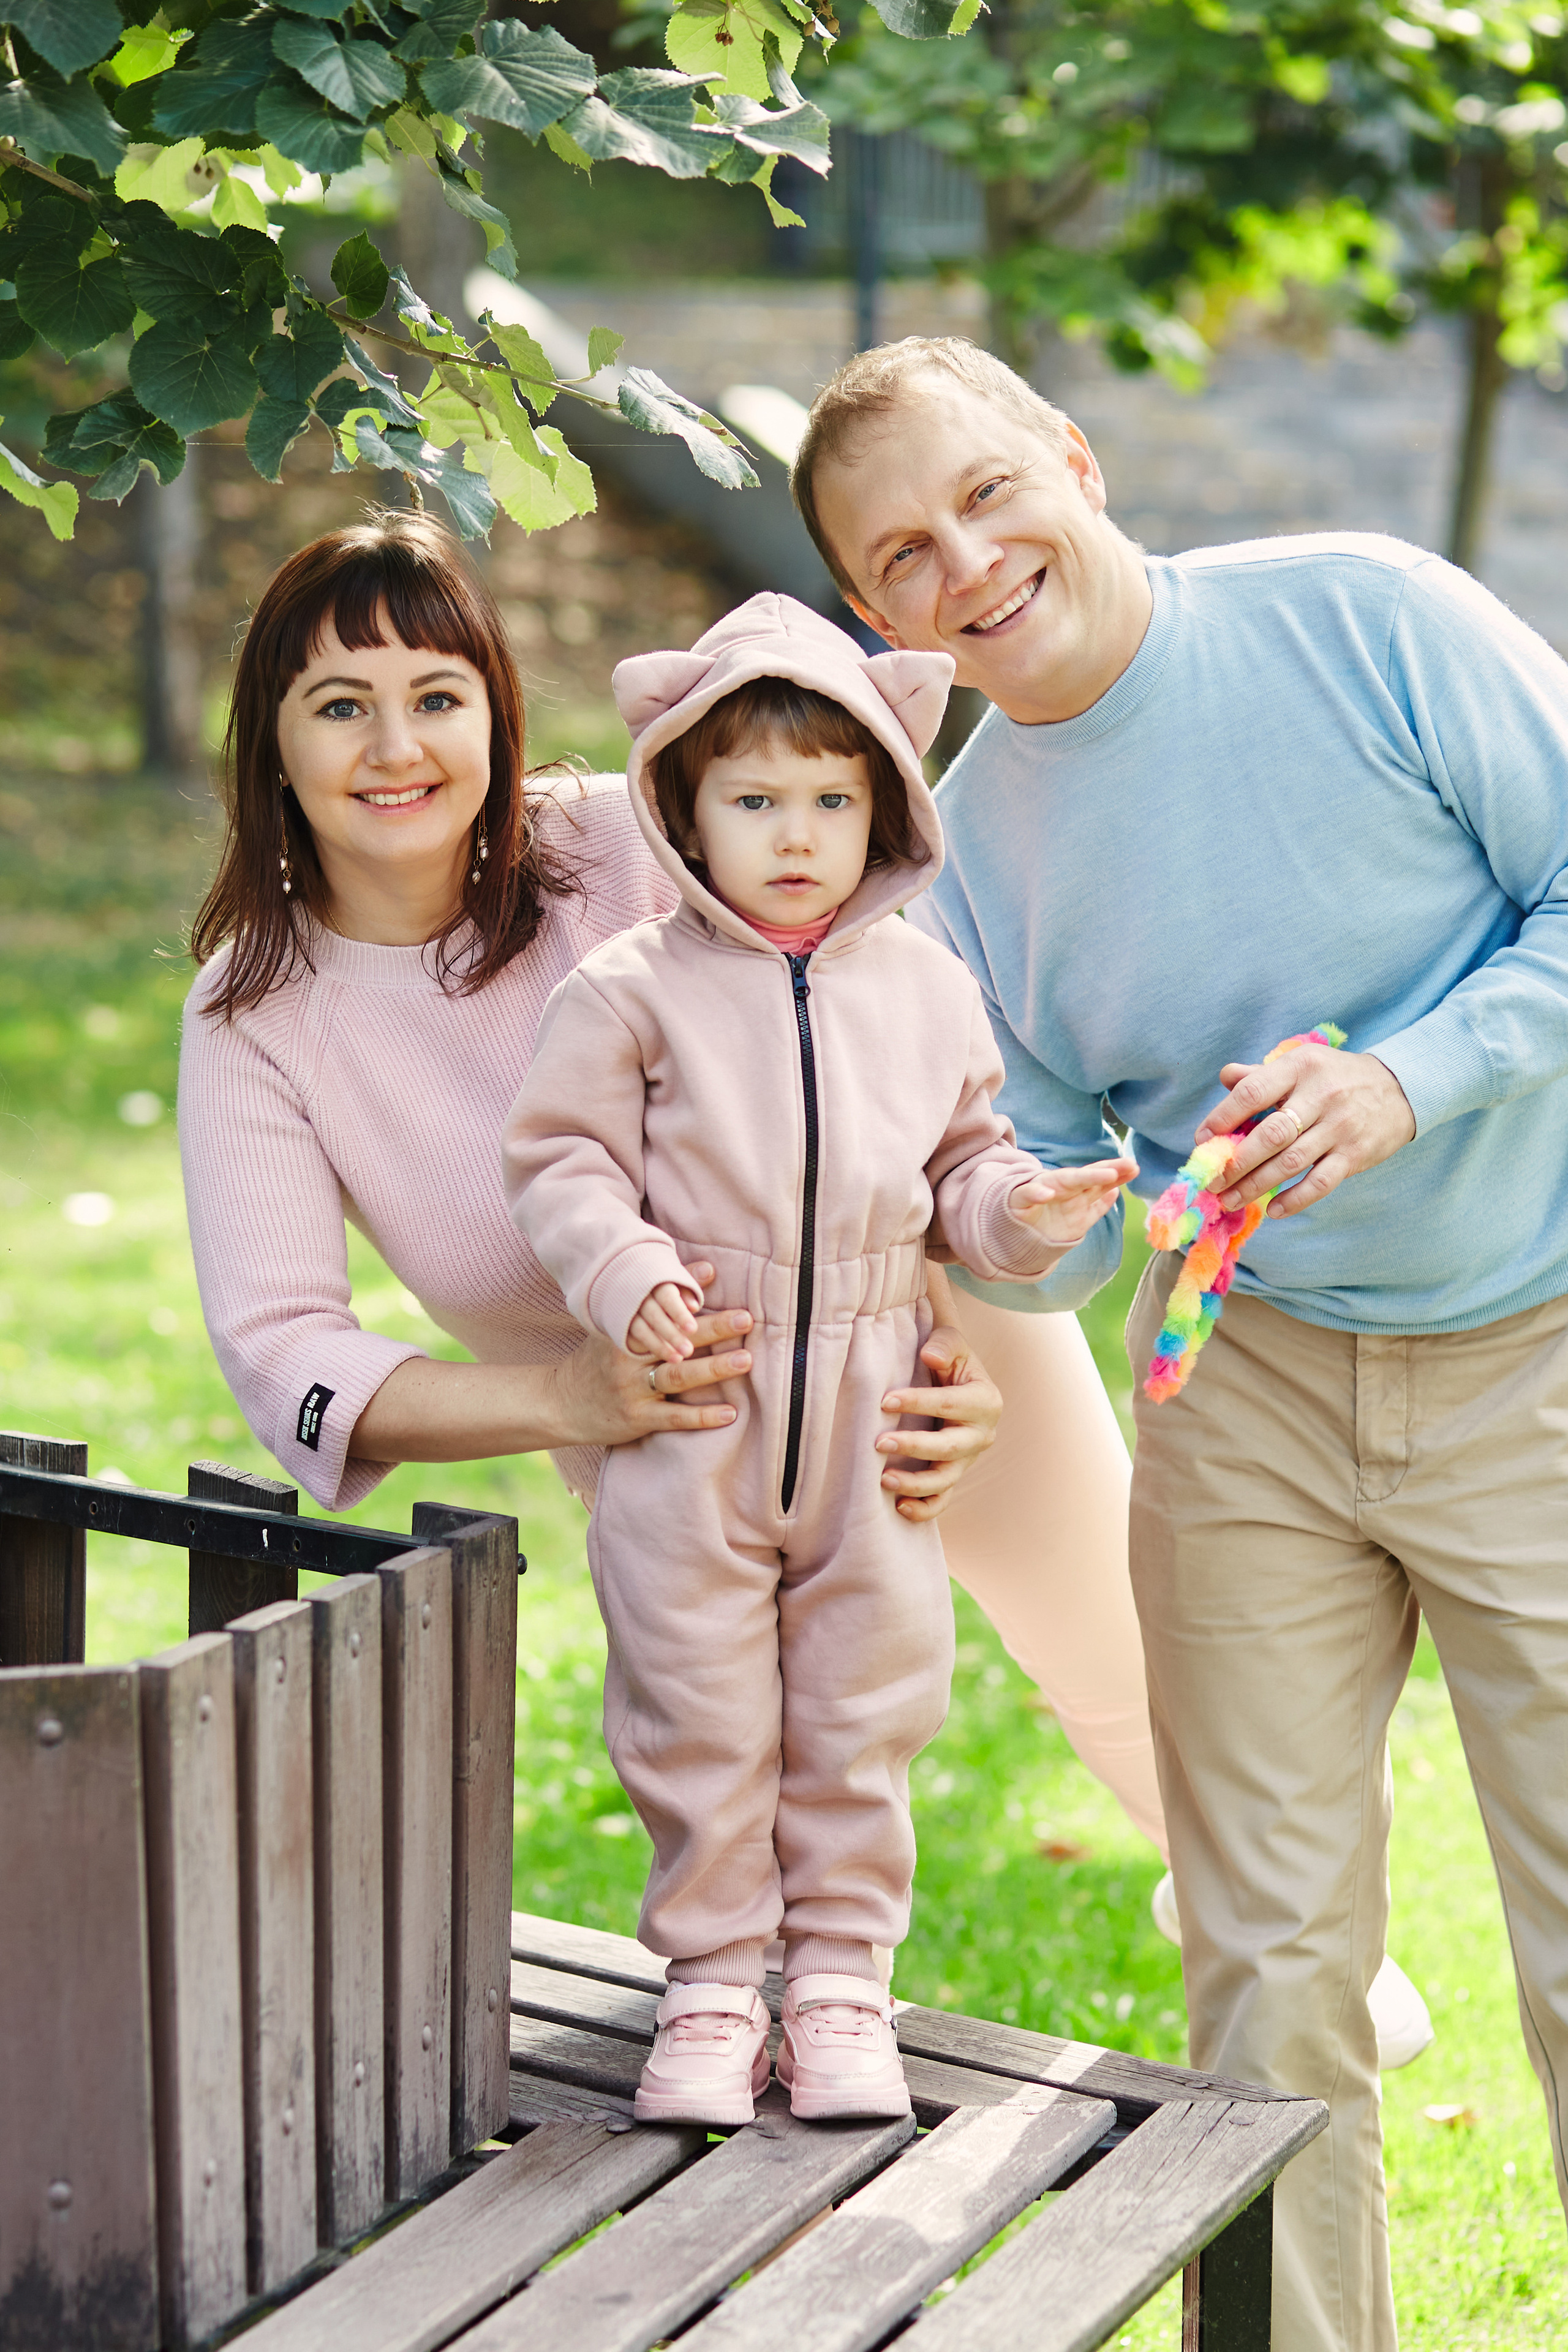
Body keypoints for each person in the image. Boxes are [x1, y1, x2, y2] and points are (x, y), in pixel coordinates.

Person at [790, 334, 1568, 2352]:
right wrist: (1018, 1228)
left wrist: (1406, 1079)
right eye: (903, 556)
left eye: (986, 495)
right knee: (1268, 1974)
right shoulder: (961, 871)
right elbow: (1042, 1212)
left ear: (1074, 455)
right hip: (1250, 1392)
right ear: (878, 616)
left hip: (1540, 1335)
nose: (968, 564)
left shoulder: (1368, 620)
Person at [176, 510, 1166, 1880]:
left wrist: (950, 1350)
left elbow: (883, 1052)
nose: (396, 748)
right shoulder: (257, 1016)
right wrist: (569, 1401)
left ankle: (1312, 1991)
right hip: (677, 1444)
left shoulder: (633, 842)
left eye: (438, 698)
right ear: (272, 745)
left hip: (915, 1356)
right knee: (742, 1804)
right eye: (341, 706)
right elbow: (287, 1352)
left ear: (497, 714)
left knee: (1138, 1694)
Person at [503, 595, 1134, 2124]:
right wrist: (627, 1270)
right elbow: (560, 1165)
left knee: (866, 1697)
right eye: (753, 801)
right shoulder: (628, 989)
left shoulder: (923, 988)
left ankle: (843, 1981)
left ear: (885, 813)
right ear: (684, 812)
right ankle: (714, 1986)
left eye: (832, 802)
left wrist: (1019, 1212)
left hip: (870, 1400)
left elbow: (962, 1167)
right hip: (697, 1404)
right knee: (694, 1703)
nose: (795, 836)